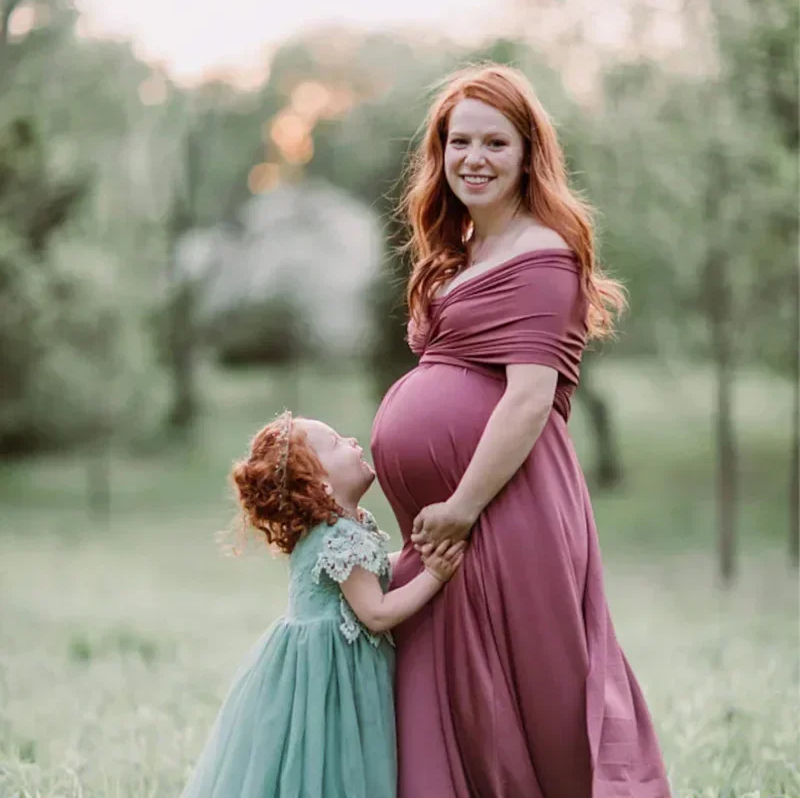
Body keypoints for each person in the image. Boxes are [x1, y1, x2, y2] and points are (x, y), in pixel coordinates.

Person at [370, 64, 672, 797]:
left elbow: (528, 401)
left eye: (495, 142)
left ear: (529, 152)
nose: (474, 158)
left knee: (532, 691)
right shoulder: (466, 247)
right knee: (455, 688)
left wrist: (463, 505)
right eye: (459, 141)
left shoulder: (543, 255)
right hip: (448, 518)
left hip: (507, 504)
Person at [180, 411, 465, 798]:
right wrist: (434, 575)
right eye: (336, 444)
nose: (354, 442)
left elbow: (372, 572)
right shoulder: (338, 536)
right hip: (331, 673)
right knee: (331, 758)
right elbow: (377, 613)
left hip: (317, 665)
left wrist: (413, 557)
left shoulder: (339, 528)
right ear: (321, 486)